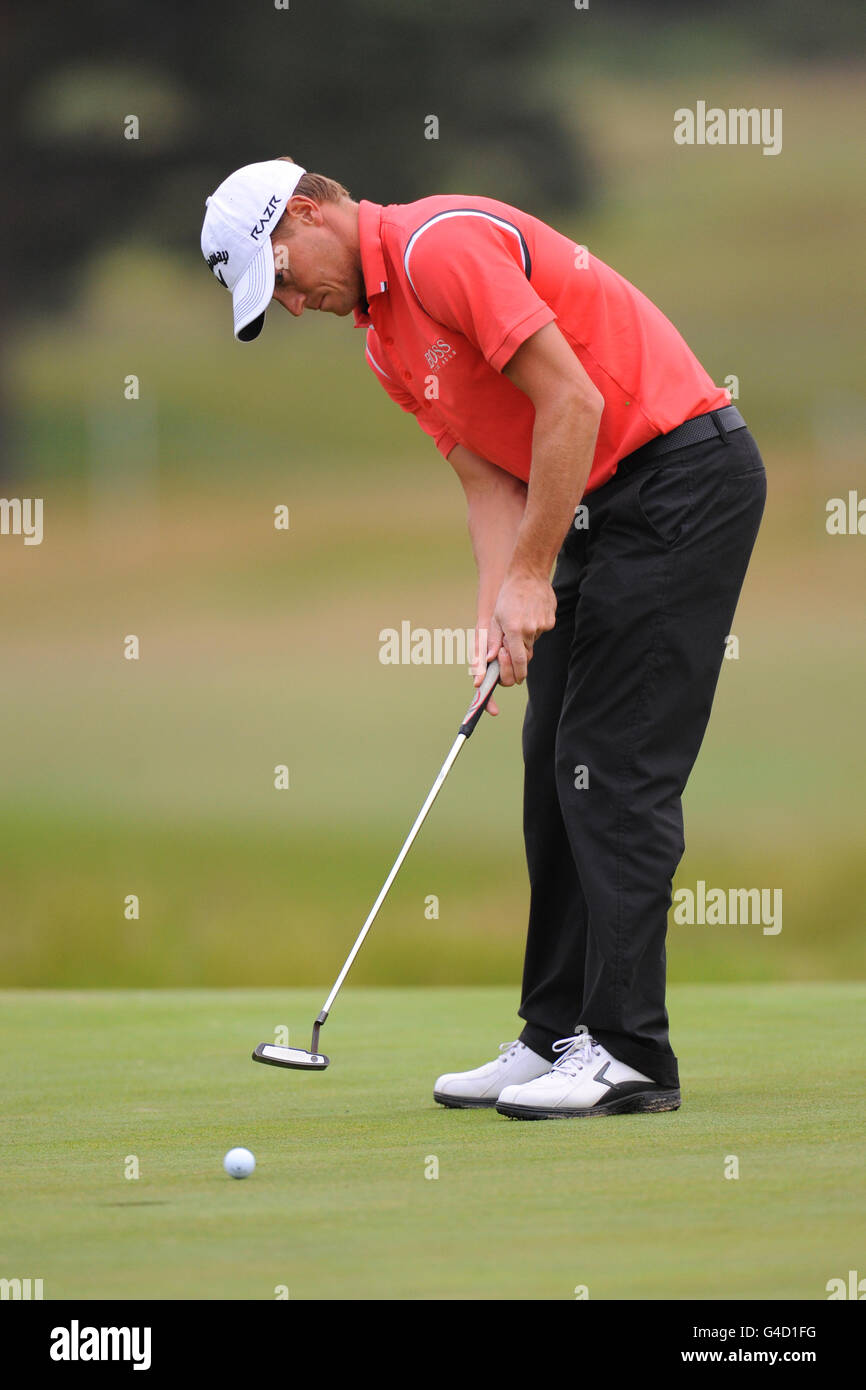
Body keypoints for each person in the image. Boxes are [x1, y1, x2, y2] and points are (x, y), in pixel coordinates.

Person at [201, 158, 766, 1120]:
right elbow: (490, 485)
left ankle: (630, 1053)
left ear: (304, 213)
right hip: (586, 502)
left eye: (285, 279)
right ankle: (554, 1037)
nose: (295, 305)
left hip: (677, 482)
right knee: (554, 766)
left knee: (611, 767)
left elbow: (575, 402)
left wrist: (533, 574)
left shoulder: (438, 246)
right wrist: (493, 614)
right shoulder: (383, 342)